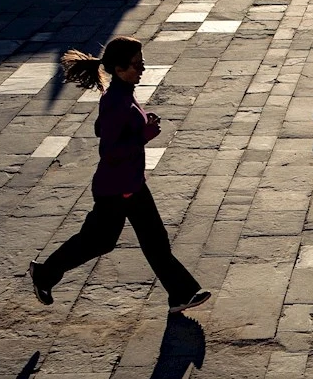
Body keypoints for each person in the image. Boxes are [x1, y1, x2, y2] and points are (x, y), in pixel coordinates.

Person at [28, 36, 210, 314]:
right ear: (119, 68)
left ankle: (181, 294)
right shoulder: (116, 100)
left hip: (129, 183)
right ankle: (45, 274)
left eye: (142, 63)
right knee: (104, 241)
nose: (142, 70)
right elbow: (110, 150)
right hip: (119, 189)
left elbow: (103, 128)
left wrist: (142, 123)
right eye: (136, 65)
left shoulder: (122, 92)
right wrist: (144, 134)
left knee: (146, 241)